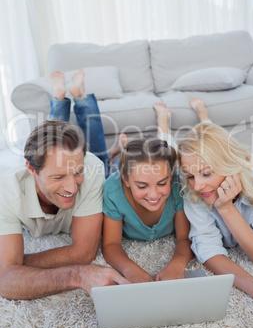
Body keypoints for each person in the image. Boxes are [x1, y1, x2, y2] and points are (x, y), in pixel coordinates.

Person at [0, 118, 128, 300]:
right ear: (31, 168)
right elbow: (6, 282)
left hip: (106, 171)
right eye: (58, 177)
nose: (72, 188)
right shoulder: (6, 192)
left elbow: (83, 253)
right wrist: (76, 275)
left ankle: (116, 151)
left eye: (78, 172)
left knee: (117, 169)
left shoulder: (92, 169)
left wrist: (16, 264)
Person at [177, 102, 253, 317]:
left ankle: (203, 115)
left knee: (212, 142)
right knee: (166, 148)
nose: (197, 186)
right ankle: (191, 118)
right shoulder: (192, 186)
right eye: (191, 176)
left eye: (206, 174)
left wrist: (226, 208)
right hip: (204, 157)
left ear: (231, 168)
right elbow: (209, 251)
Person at [102, 103, 194, 283]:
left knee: (166, 150)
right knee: (108, 166)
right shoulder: (113, 189)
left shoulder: (178, 184)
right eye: (142, 186)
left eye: (162, 183)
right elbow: (111, 244)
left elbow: (185, 238)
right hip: (117, 171)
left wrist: (177, 264)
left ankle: (128, 145)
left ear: (170, 177)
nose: (153, 195)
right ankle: (121, 149)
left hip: (142, 167)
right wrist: (131, 271)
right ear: (126, 181)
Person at [49, 69, 110, 176]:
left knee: (99, 159)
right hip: (94, 176)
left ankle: (68, 97)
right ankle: (70, 96)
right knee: (98, 160)